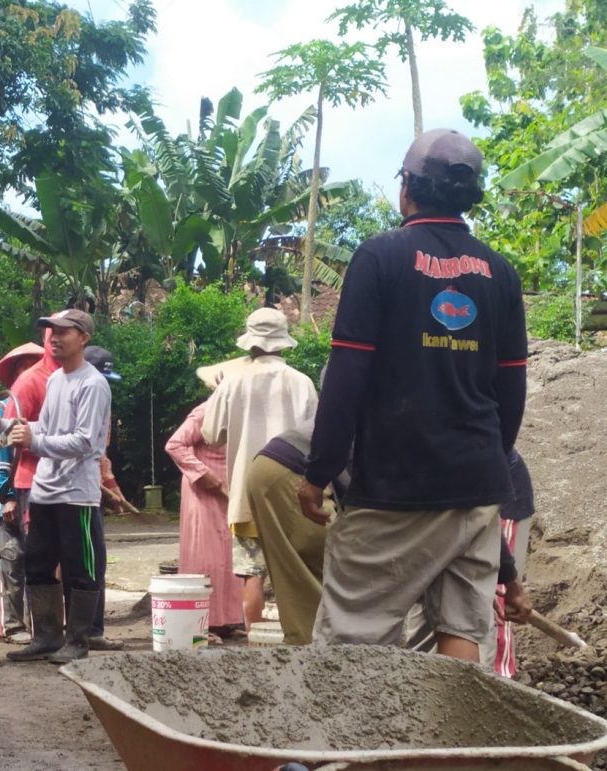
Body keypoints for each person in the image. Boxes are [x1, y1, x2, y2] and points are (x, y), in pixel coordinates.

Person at [298, 129, 531, 661]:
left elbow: (346, 378)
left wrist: (319, 473)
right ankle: (446, 746)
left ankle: (350, 747)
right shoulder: (501, 273)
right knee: (460, 628)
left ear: (408, 189)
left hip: (393, 489)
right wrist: (488, 466)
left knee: (354, 636)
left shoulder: (381, 257)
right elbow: (510, 393)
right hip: (475, 488)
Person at [200, 308, 318, 630]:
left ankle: (256, 645)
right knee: (294, 570)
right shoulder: (302, 383)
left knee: (252, 572)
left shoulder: (232, 383)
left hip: (247, 492)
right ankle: (298, 640)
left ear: (250, 343)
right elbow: (318, 437)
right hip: (294, 493)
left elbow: (210, 436)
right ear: (283, 343)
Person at [6, 310, 111, 664]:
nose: (54, 337)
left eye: (64, 331)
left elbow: (83, 441)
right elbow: (48, 426)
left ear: (83, 337)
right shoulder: (55, 381)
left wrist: (34, 440)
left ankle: (78, 640)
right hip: (45, 489)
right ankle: (47, 636)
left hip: (77, 494)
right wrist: (26, 426)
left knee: (80, 567)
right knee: (37, 562)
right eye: (52, 330)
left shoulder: (92, 384)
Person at [165, 402, 243, 637]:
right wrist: (203, 474)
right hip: (204, 493)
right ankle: (201, 625)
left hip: (232, 495)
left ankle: (228, 622)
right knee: (206, 558)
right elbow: (175, 444)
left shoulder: (245, 411)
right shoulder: (206, 412)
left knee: (232, 558)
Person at [0, 342, 45, 645]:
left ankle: (43, 625)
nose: (28, 373)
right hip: (12, 492)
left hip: (43, 493)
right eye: (22, 367)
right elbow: (3, 455)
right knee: (11, 560)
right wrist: (7, 495)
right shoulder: (3, 409)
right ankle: (11, 626)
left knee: (40, 560)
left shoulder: (51, 406)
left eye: (33, 366)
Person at [81, 345, 126, 651]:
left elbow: (101, 455)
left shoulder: (102, 402)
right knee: (89, 560)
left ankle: (88, 629)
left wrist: (113, 488)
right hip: (75, 492)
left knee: (93, 560)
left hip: (90, 487)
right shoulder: (76, 393)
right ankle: (85, 631)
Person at [484, 450, 534, 676]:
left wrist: (510, 581)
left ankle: (501, 680)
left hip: (497, 498)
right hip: (446, 496)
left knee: (497, 603)